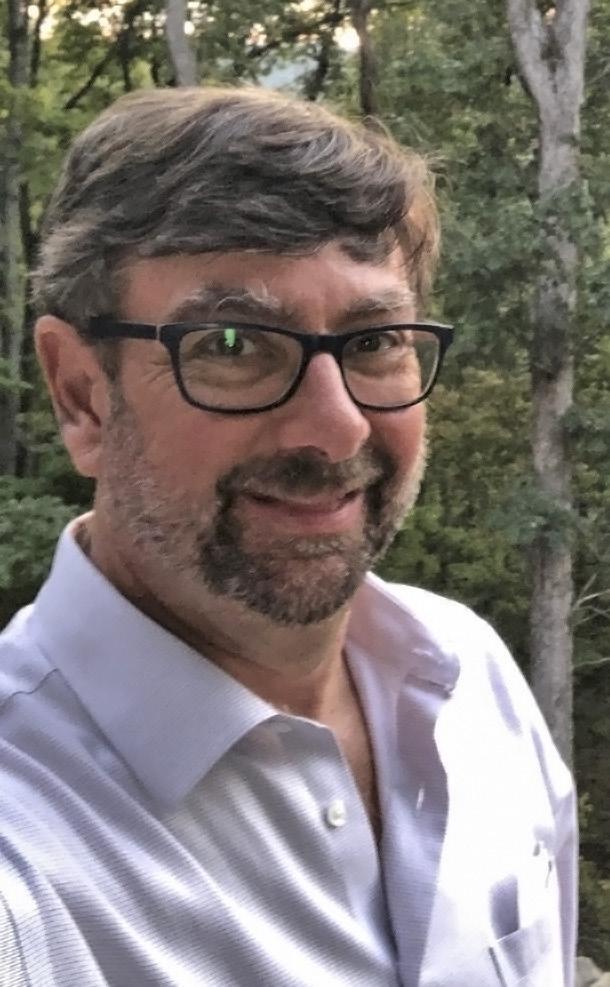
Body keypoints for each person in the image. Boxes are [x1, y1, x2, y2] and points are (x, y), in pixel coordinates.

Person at [0, 86, 576, 987]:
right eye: (234, 345)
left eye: (375, 341)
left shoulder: (469, 676)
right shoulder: (27, 858)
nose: (338, 429)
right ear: (82, 394)